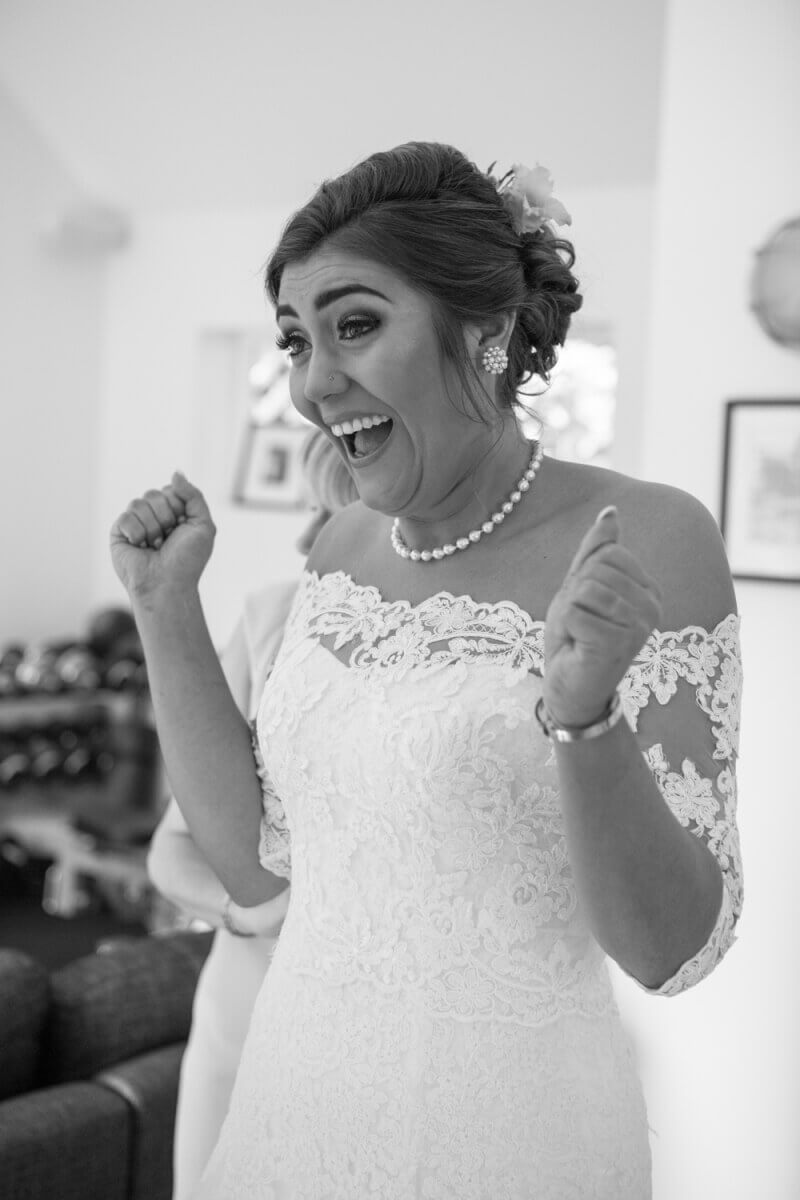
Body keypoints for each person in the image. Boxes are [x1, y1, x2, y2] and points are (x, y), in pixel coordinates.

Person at [110, 142, 743, 1199]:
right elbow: (260, 864)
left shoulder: (647, 534)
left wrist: (584, 719)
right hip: (293, 1103)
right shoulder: (342, 548)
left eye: (354, 325)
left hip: (506, 1137)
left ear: (485, 331)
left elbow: (673, 950)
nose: (314, 384)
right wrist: (165, 608)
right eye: (295, 341)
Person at [145, 429, 357, 1199]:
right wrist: (254, 917)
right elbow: (170, 852)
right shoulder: (271, 620)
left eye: (328, 512)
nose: (303, 536)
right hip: (245, 1004)